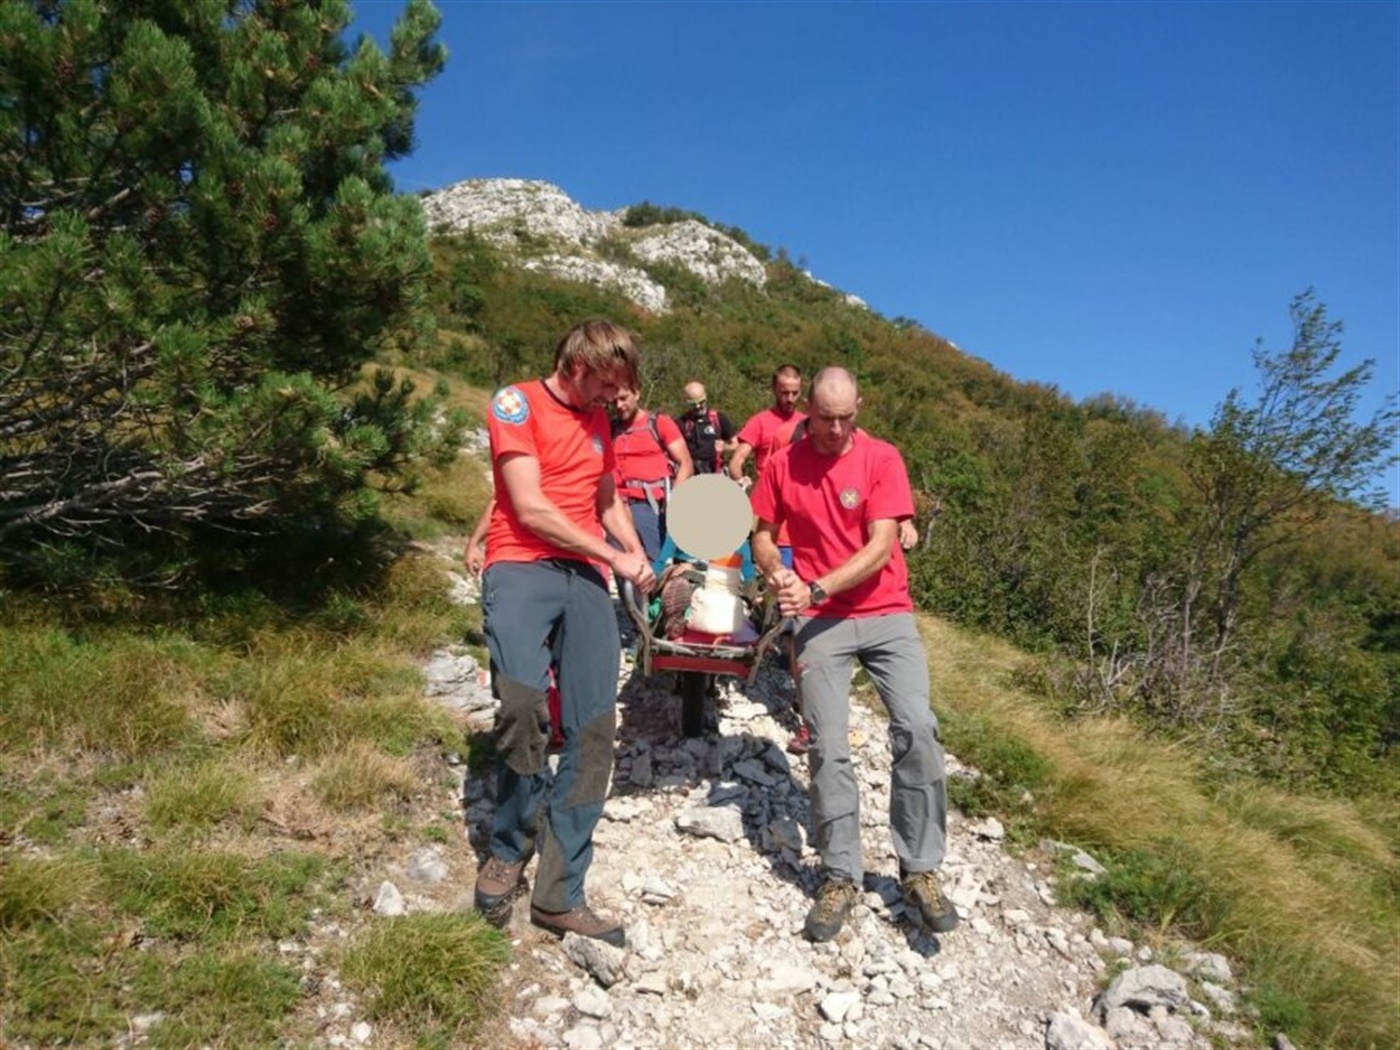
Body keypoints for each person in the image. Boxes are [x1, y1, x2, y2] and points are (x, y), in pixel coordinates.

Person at [750, 365, 959, 943]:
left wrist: (816, 586)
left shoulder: (882, 458)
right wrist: (775, 571)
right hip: (821, 622)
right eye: (824, 418)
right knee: (827, 743)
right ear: (806, 411)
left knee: (917, 727)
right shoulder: (781, 464)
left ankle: (919, 869)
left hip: (885, 612)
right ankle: (840, 875)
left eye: (846, 418)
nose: (836, 430)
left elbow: (881, 544)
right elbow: (763, 532)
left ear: (858, 408)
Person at [473, 319, 656, 947]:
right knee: (523, 707)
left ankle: (559, 892)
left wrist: (634, 550)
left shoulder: (600, 418)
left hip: (583, 575)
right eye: (605, 384)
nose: (611, 398)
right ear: (578, 363)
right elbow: (529, 508)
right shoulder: (515, 403)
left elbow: (606, 499)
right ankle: (509, 845)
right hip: (521, 561)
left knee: (595, 725)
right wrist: (612, 557)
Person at [610, 384, 693, 562]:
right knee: (627, 571)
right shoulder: (610, 429)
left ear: (637, 394)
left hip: (652, 506)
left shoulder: (659, 423)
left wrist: (675, 501)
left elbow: (685, 463)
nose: (618, 406)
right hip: (616, 506)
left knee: (656, 565)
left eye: (623, 398)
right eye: (614, 401)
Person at [678, 381, 738, 475]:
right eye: (693, 404)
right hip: (692, 473)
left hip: (715, 470)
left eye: (701, 402)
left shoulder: (718, 418)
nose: (698, 406)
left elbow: (735, 444)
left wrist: (725, 447)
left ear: (705, 397)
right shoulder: (682, 422)